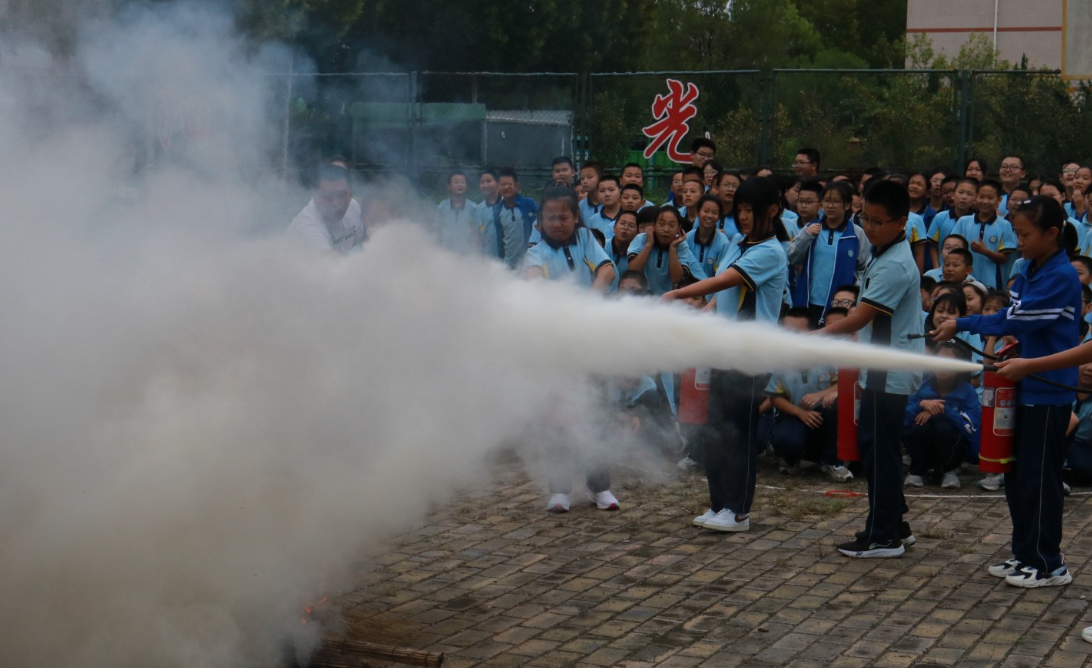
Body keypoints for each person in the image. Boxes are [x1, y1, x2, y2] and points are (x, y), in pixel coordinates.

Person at [935, 196, 1082, 588]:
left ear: (1052, 234)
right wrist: (963, 324)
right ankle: (1025, 553)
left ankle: (1049, 562)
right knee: (1018, 476)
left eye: (1025, 234)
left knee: (1040, 478)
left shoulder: (1059, 276)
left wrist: (964, 322)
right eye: (1015, 233)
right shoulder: (1033, 269)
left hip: (1048, 394)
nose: (1018, 241)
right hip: (1024, 388)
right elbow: (1013, 319)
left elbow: (1015, 320)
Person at [662, 177, 789, 533]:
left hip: (749, 358)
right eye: (741, 210)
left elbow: (723, 281)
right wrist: (702, 318)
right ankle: (718, 504)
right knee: (714, 429)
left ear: (773, 211)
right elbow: (723, 294)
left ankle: (738, 511)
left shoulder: (770, 251)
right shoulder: (738, 242)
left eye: (752, 210)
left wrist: (675, 296)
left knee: (739, 435)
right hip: (721, 351)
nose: (744, 217)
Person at [817, 180, 922, 558]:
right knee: (880, 449)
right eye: (866, 219)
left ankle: (882, 537)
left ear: (902, 221)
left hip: (887, 371)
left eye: (878, 222)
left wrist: (818, 336)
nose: (870, 228)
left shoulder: (894, 263)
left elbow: (860, 317)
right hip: (879, 368)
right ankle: (896, 525)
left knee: (880, 451)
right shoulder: (884, 251)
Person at [524, 186, 618, 513]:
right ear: (540, 221)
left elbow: (608, 269)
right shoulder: (535, 253)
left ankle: (599, 488)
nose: (557, 223)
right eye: (550, 217)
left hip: (590, 345)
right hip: (556, 349)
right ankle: (560, 490)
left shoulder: (586, 241)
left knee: (597, 413)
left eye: (563, 217)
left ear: (576, 218)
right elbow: (533, 279)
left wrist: (592, 294)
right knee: (557, 418)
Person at [759, 308, 851, 482]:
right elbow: (775, 397)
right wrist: (800, 413)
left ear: (813, 331)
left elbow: (844, 383)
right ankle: (791, 462)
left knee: (839, 406)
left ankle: (831, 462)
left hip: (824, 412)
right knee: (786, 439)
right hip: (794, 415)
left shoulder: (828, 354)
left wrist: (822, 394)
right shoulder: (781, 359)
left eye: (797, 332)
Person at [788, 181, 869, 325]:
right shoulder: (810, 229)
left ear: (847, 205)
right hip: (808, 300)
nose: (830, 206)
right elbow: (792, 257)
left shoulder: (856, 233)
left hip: (839, 305)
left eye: (836, 201)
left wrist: (854, 294)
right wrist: (806, 236)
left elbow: (863, 267)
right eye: (826, 201)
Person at [903, 343, 981, 489]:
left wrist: (944, 410)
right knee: (919, 427)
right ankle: (917, 471)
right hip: (922, 447)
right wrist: (920, 405)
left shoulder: (967, 391)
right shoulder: (919, 386)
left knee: (943, 427)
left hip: (953, 451)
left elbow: (970, 429)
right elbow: (902, 421)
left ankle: (948, 471)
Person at [949, 179, 1016, 290]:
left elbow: (1004, 258)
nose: (985, 201)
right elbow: (954, 248)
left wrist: (984, 251)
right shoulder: (963, 221)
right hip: (964, 281)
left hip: (992, 283)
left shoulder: (1005, 225)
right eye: (981, 196)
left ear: (999, 200)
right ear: (976, 197)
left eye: (990, 198)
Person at [287, 164, 368, 254]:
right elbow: (330, 263)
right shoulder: (307, 226)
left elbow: (366, 242)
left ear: (351, 193)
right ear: (314, 195)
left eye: (341, 195)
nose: (335, 203)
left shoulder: (353, 207)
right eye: (327, 196)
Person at [627, 206, 706, 295]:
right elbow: (633, 269)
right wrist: (649, 244)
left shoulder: (681, 245)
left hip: (667, 298)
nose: (666, 229)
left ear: (679, 228)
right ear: (654, 225)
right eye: (661, 224)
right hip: (642, 296)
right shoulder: (641, 239)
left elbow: (676, 278)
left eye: (672, 225)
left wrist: (672, 248)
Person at [930, 179, 979, 268]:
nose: (964, 197)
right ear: (953, 194)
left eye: (969, 194)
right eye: (961, 192)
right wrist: (936, 266)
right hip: (943, 268)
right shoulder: (940, 217)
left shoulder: (977, 220)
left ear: (976, 197)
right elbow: (933, 246)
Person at [494, 167, 539, 263]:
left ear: (517, 186)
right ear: (498, 187)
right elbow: (500, 238)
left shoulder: (529, 204)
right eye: (502, 184)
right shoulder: (497, 210)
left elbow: (541, 222)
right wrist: (500, 260)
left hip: (528, 259)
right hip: (508, 261)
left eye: (509, 184)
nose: (506, 187)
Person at [686, 195, 732, 281]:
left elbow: (721, 276)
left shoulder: (723, 244)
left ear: (719, 217)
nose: (710, 216)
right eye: (706, 211)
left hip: (712, 292)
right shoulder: (687, 238)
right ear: (697, 213)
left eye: (714, 213)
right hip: (687, 290)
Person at [435, 170, 479, 255]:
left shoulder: (473, 208)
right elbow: (437, 230)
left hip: (467, 253)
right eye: (456, 182)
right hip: (446, 253)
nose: (460, 185)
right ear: (449, 186)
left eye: (462, 182)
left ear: (466, 186)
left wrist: (475, 251)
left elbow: (478, 231)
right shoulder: (441, 207)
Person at [476, 168, 508, 262]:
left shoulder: (508, 204)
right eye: (482, 182)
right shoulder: (479, 209)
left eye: (489, 181)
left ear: (498, 183)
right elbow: (478, 237)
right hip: (488, 261)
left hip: (509, 260)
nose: (485, 185)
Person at [607, 210, 639, 279]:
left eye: (631, 226)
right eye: (622, 223)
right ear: (614, 228)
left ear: (637, 233)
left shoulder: (638, 254)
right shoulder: (602, 246)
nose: (625, 228)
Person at [715, 170, 741, 237]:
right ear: (717, 188)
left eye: (735, 186)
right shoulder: (706, 211)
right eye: (726, 185)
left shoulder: (740, 216)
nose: (730, 189)